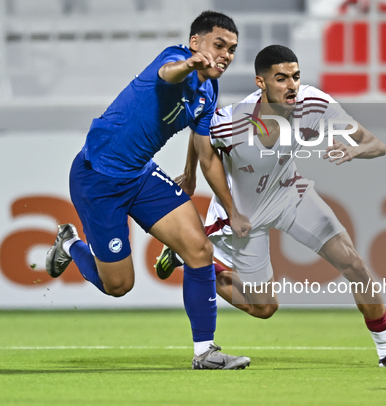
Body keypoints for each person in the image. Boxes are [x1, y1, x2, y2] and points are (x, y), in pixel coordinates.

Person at [156, 45, 386, 368]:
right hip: (245, 212)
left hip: (290, 193)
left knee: (354, 264)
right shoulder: (231, 121)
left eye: (296, 77)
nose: (292, 86)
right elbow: (201, 136)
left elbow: (376, 144)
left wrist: (356, 150)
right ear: (261, 83)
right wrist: (190, 176)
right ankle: (193, 259)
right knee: (264, 308)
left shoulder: (315, 103)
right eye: (281, 78)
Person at [45, 11, 251, 370]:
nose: (226, 55)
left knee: (199, 249)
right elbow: (168, 74)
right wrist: (189, 63)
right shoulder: (173, 59)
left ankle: (205, 352)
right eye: (219, 45)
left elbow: (205, 152)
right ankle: (69, 245)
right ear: (195, 43)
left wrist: (230, 208)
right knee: (119, 285)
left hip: (140, 177)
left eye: (232, 49)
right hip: (98, 178)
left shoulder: (209, 89)